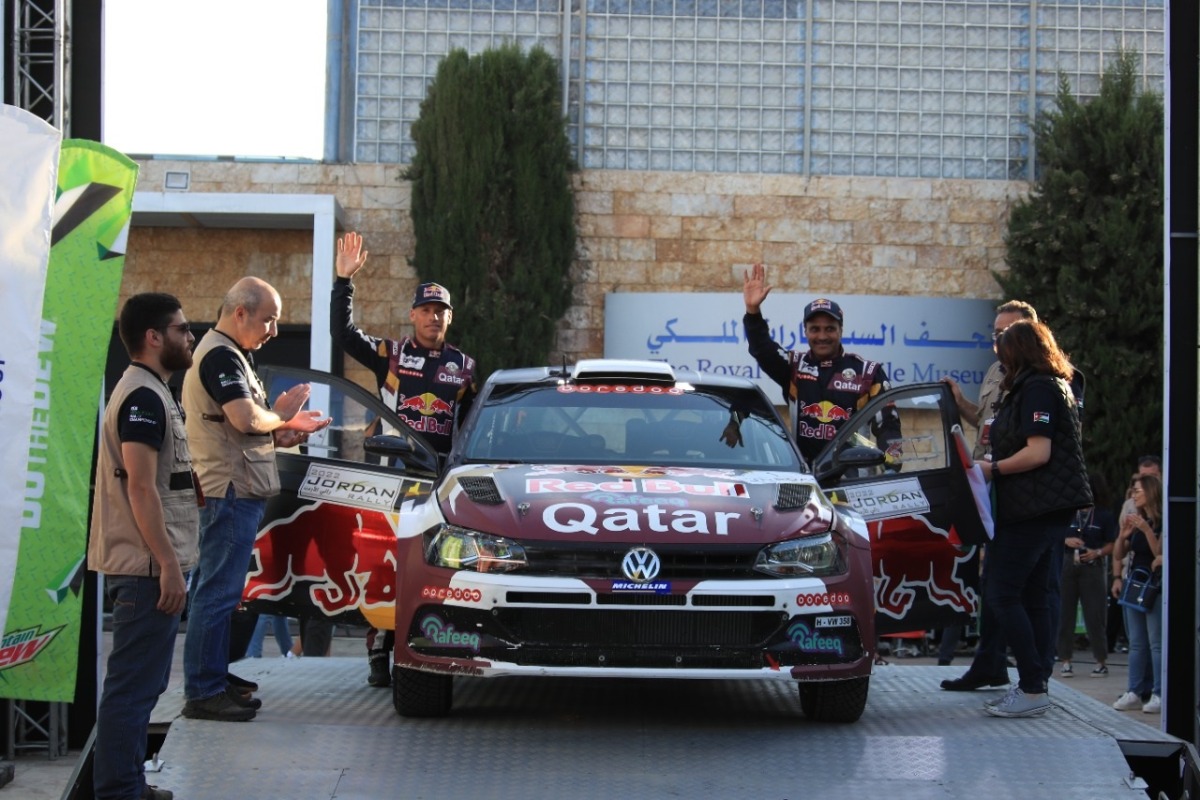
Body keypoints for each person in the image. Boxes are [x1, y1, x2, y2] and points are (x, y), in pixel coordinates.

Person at [181, 277, 331, 721]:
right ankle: (205, 690)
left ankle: (214, 678)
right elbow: (245, 418)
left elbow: (246, 431)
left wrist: (284, 432)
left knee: (224, 593)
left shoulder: (234, 354)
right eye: (269, 320)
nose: (274, 331)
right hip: (228, 491)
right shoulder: (221, 355)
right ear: (240, 312)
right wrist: (281, 416)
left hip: (236, 488)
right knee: (217, 593)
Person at [333, 231, 478, 687]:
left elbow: (472, 427)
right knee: (383, 563)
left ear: (450, 317)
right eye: (426, 310)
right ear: (413, 314)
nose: (434, 317)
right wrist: (343, 282)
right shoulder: (392, 355)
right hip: (390, 476)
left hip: (436, 482)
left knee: (434, 563)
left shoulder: (466, 368)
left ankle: (433, 644)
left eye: (442, 311)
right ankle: (378, 654)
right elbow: (343, 335)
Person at [89, 293, 199, 800]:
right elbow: (139, 487)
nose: (189, 336)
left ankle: (128, 781)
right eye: (180, 329)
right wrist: (167, 565)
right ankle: (117, 790)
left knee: (143, 688)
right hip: (145, 571)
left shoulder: (153, 390)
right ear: (153, 338)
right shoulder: (142, 397)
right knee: (131, 691)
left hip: (149, 567)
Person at [981, 320, 1092, 718]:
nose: (1000, 364)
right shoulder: (1040, 385)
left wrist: (991, 469)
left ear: (1020, 352)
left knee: (1002, 593)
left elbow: (1038, 452)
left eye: (1004, 354)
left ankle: (1031, 687)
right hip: (1040, 508)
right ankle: (1035, 683)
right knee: (1032, 598)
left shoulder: (1039, 387)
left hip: (1034, 510)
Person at [939, 300, 1038, 692]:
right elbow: (983, 422)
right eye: (994, 333)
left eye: (1006, 332)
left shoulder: (1035, 378)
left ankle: (1034, 673)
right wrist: (957, 399)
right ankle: (989, 663)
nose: (998, 340)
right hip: (984, 481)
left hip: (1014, 484)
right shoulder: (997, 371)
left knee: (1015, 587)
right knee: (989, 578)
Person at [740, 263, 899, 463]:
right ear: (805, 331)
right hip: (807, 478)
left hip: (852, 481)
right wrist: (753, 312)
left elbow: (889, 427)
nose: (822, 336)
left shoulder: (868, 373)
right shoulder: (794, 367)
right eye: (815, 329)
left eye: (830, 329)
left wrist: (892, 467)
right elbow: (762, 349)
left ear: (841, 330)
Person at [1111, 474, 1164, 714]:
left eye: (1138, 490)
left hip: (1155, 586)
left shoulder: (1162, 521)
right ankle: (1133, 690)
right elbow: (1119, 554)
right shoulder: (1137, 520)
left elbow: (1159, 554)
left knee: (1155, 642)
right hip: (1135, 583)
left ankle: (1158, 692)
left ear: (1151, 492)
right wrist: (1123, 535)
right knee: (1136, 642)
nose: (1134, 494)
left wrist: (1146, 529)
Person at [1056, 474, 1116, 678]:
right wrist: (1066, 540)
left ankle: (1100, 660)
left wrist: (1097, 552)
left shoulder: (1103, 515)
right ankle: (1065, 660)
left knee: (1095, 614)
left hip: (1092, 566)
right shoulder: (1067, 514)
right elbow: (1054, 534)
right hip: (1067, 565)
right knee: (1065, 613)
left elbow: (1112, 543)